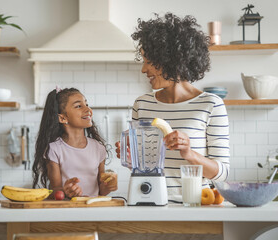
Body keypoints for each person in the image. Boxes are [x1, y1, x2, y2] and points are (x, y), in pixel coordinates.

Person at [116, 13, 230, 203]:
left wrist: (189, 153)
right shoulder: (142, 104)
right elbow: (142, 169)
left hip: (194, 207)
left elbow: (222, 173)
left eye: (148, 61)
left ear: (171, 59)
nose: (143, 70)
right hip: (147, 205)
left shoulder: (211, 104)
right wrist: (130, 159)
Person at [33, 87, 117, 198]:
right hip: (67, 211)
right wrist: (65, 190)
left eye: (86, 104)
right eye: (78, 106)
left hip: (93, 210)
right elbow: (55, 190)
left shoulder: (98, 148)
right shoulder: (54, 149)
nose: (88, 110)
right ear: (63, 118)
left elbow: (101, 190)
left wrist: (108, 186)